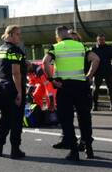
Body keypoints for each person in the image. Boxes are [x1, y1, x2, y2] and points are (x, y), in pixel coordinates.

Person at [42, 25, 100, 161]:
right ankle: (89, 149)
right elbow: (96, 59)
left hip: (64, 87)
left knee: (66, 119)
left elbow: (45, 63)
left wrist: (52, 80)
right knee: (84, 118)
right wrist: (89, 76)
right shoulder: (81, 46)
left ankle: (74, 151)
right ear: (68, 34)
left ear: (57, 36)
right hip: (81, 86)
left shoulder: (55, 47)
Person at [0, 25, 27, 159]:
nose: (20, 37)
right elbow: (15, 73)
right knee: (16, 120)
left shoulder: (0, 49)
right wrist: (19, 92)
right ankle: (15, 149)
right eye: (18, 34)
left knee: (4, 118)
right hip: (13, 86)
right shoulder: (15, 50)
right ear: (11, 34)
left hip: (1, 86)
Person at [90, 34, 112, 111]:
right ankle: (95, 105)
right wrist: (91, 72)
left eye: (103, 39)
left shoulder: (109, 48)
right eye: (100, 40)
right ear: (97, 40)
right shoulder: (93, 49)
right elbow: (90, 61)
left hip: (108, 71)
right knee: (95, 89)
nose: (102, 41)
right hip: (97, 71)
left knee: (110, 89)